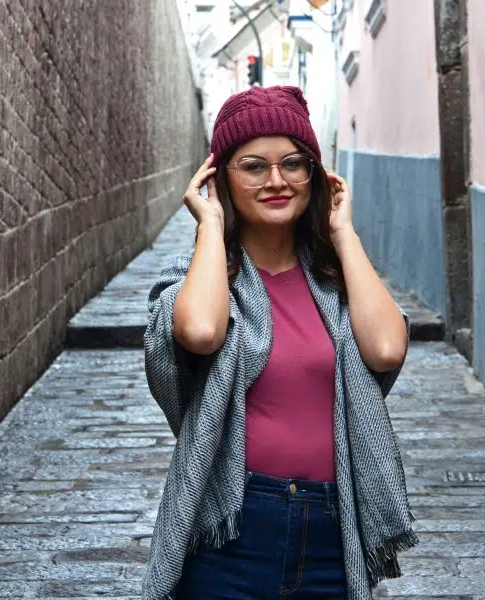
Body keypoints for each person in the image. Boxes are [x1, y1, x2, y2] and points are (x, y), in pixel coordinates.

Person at [142, 85, 417, 600]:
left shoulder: (339, 282)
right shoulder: (197, 279)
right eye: (252, 166)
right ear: (221, 177)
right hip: (232, 529)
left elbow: (386, 350)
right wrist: (211, 225)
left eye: (293, 163)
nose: (276, 181)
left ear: (314, 175)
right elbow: (201, 332)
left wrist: (343, 233)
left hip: (333, 529)